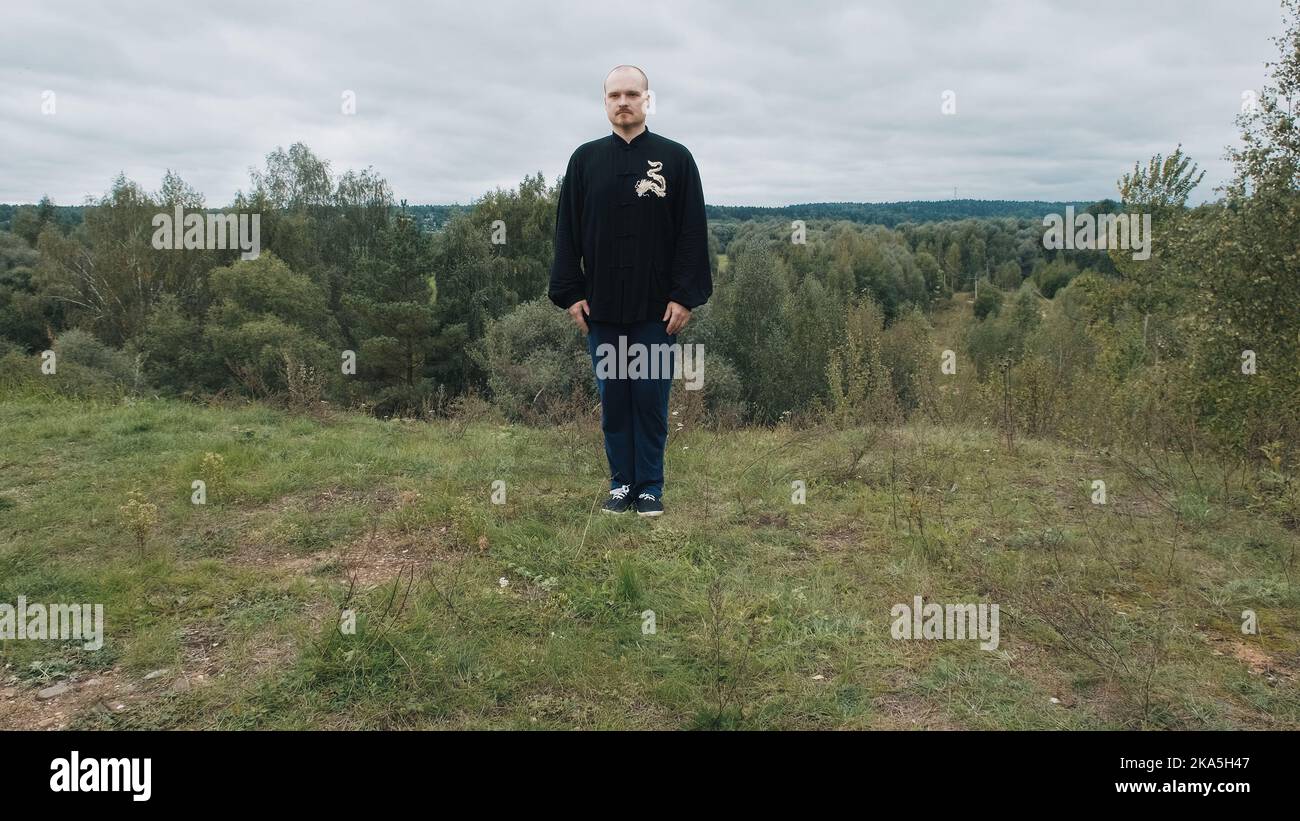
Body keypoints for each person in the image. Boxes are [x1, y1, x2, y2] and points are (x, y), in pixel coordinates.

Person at [548, 64, 712, 517]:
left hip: (656, 312)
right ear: (605, 102)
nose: (623, 102)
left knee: (650, 398)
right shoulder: (584, 161)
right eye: (614, 95)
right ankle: (622, 484)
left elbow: (691, 233)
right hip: (601, 309)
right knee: (615, 399)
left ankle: (650, 487)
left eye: (632, 94)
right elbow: (567, 231)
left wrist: (684, 296)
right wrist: (571, 293)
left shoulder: (675, 159)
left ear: (647, 100)